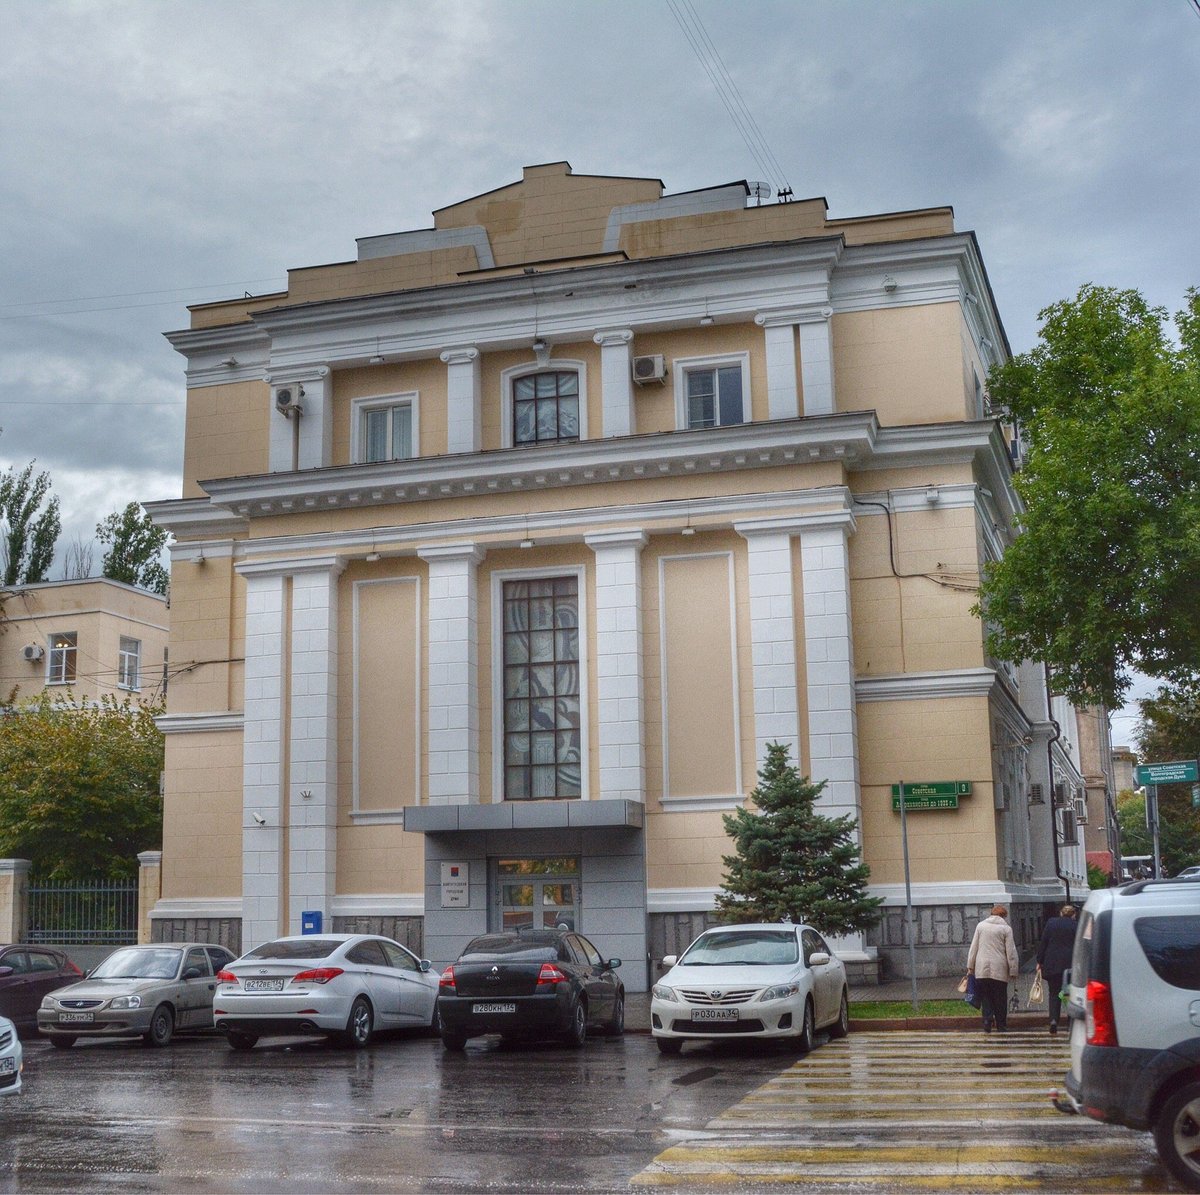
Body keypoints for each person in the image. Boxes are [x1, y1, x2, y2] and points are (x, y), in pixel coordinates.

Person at [967, 904, 1020, 1033]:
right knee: (1000, 998)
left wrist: (970, 966)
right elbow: (1011, 952)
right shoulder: (1006, 929)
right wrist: (1013, 970)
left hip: (982, 968)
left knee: (986, 996)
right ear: (1003, 916)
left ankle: (987, 1020)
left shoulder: (981, 926)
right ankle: (1001, 1025)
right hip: (999, 969)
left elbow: (973, 948)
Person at [1036, 904, 1077, 1035]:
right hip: (1071, 965)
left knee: (1054, 993)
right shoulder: (1076, 925)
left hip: (1052, 964)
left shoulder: (1051, 923)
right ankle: (1071, 1022)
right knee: (1069, 993)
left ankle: (1054, 1020)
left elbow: (1044, 942)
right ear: (1073, 915)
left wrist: (1039, 961)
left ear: (1061, 913)